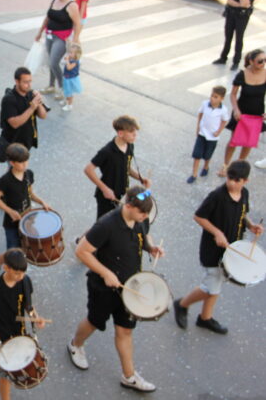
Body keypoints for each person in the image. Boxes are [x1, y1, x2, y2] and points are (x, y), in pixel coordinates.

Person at [68, 186, 164, 393]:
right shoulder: (106, 225)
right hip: (103, 287)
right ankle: (75, 344)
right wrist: (105, 273)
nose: (145, 217)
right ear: (128, 205)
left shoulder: (141, 219)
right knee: (94, 321)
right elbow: (81, 251)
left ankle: (129, 376)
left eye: (147, 214)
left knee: (125, 329)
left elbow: (144, 237)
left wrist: (151, 247)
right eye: (142, 213)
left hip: (131, 285)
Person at [174, 160, 263, 335]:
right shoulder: (217, 196)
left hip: (231, 250)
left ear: (245, 181)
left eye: (237, 180)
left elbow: (243, 214)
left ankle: (205, 318)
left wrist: (251, 225)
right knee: (211, 287)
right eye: (230, 178)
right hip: (213, 250)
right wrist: (216, 233)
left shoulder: (244, 193)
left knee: (216, 284)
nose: (231, 182)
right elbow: (199, 217)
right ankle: (182, 304)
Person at [0, 248, 46, 400]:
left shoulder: (25, 281)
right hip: (2, 332)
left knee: (7, 366)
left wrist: (35, 317)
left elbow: (28, 305)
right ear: (6, 268)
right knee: (8, 371)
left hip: (20, 330)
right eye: (17, 273)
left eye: (23, 273)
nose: (20, 276)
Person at [84, 115, 150, 220]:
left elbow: (127, 168)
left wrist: (140, 178)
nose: (135, 135)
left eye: (135, 132)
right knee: (103, 225)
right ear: (120, 133)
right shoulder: (107, 151)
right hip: (107, 197)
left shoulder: (130, 145)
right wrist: (105, 189)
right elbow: (88, 169)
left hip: (123, 193)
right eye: (131, 132)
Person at [0, 143, 51, 249]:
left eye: (26, 161)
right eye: (21, 162)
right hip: (12, 222)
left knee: (27, 244)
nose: (25, 164)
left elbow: (30, 194)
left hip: (28, 217)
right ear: (12, 163)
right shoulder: (5, 180)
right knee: (13, 249)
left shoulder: (29, 174)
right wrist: (10, 211)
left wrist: (42, 202)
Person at [218, 49, 266, 177]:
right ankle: (226, 165)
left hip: (257, 113)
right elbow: (233, 94)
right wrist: (236, 109)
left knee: (248, 142)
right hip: (242, 112)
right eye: (260, 61)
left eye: (265, 60)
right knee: (234, 140)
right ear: (251, 61)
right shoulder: (242, 74)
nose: (263, 63)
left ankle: (240, 166)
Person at [35, 0, 81, 100]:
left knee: (54, 62)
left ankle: (63, 88)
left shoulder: (71, 5)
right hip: (49, 34)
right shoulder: (54, 1)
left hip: (62, 38)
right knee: (51, 61)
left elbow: (77, 23)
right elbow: (47, 17)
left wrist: (75, 40)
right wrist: (40, 32)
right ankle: (51, 85)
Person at [0, 67, 47, 154]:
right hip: (13, 144)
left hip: (27, 142)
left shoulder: (30, 94)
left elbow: (43, 116)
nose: (29, 85)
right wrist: (32, 107)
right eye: (25, 82)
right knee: (16, 167)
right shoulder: (9, 99)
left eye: (30, 81)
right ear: (17, 81)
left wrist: (38, 103)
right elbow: (14, 123)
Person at [212, 0, 258, 70]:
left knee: (239, 39)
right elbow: (229, 0)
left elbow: (245, 3)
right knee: (228, 37)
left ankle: (236, 61)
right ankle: (223, 58)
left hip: (242, 17)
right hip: (231, 14)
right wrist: (239, 5)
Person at [187, 86, 229, 184]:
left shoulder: (223, 110)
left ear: (221, 99)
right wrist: (198, 127)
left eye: (216, 97)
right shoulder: (205, 104)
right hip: (202, 133)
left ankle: (206, 167)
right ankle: (194, 174)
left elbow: (224, 120)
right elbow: (200, 114)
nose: (212, 98)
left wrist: (219, 131)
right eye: (212, 96)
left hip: (212, 137)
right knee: (197, 154)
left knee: (207, 154)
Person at [61, 43, 82, 112]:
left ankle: (69, 105)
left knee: (69, 93)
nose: (69, 54)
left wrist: (67, 60)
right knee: (66, 91)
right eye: (69, 52)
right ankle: (66, 101)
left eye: (71, 53)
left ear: (76, 54)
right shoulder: (71, 59)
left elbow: (69, 67)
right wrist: (68, 58)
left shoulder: (75, 62)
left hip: (71, 79)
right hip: (67, 78)